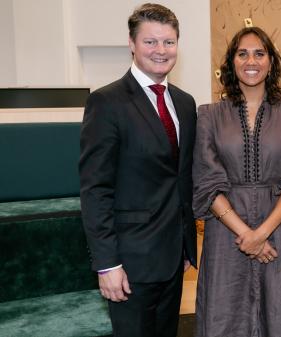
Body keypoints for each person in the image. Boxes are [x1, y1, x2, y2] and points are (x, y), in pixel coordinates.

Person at [79, 3, 197, 336]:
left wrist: (186, 246)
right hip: (129, 263)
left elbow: (181, 178)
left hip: (174, 259)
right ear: (131, 44)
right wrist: (107, 263)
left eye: (169, 42)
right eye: (150, 42)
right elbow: (95, 190)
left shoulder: (185, 103)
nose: (161, 50)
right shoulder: (107, 102)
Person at [192, 26, 281, 337]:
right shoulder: (208, 114)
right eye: (242, 53)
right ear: (232, 62)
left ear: (271, 61)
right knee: (225, 317)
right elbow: (206, 180)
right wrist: (247, 234)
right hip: (226, 232)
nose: (251, 60)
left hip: (280, 230)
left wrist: (262, 233)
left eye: (260, 53)